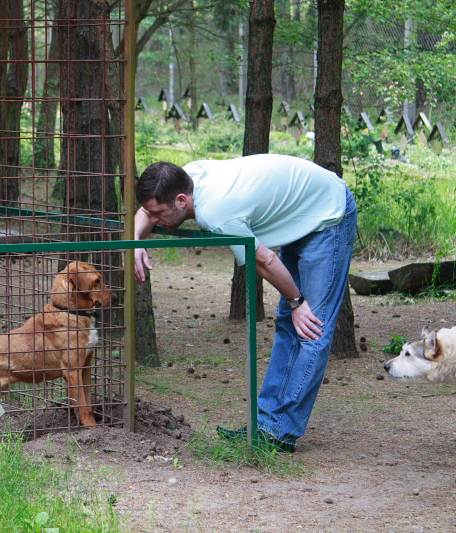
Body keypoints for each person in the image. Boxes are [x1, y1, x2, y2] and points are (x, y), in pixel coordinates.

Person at [134, 154, 357, 453]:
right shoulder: (184, 177)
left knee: (312, 326)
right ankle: (264, 424)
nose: (155, 221)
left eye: (158, 214)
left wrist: (297, 301)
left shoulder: (216, 212)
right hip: (302, 209)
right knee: (290, 322)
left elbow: (264, 260)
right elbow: (145, 210)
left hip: (328, 213)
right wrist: (136, 240)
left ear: (181, 200)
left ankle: (280, 433)